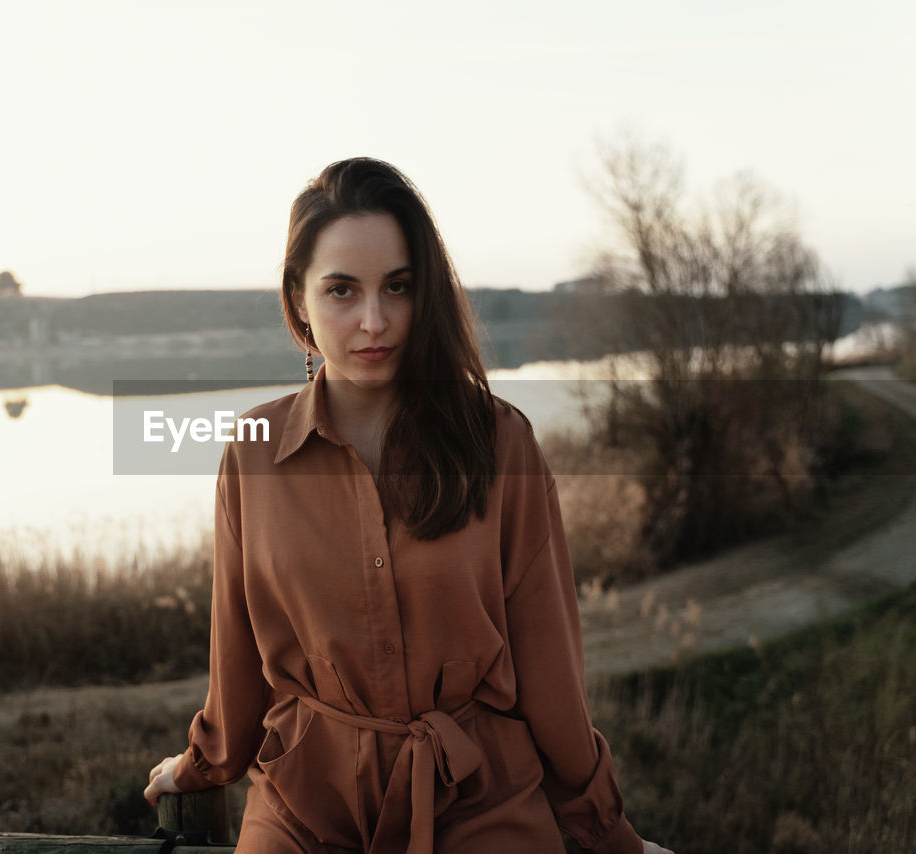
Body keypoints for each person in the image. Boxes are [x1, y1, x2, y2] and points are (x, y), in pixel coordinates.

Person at [144, 157, 672, 854]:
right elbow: (236, 660)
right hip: (306, 804)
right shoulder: (253, 453)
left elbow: (551, 672)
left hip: (479, 799)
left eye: (399, 287)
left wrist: (608, 833)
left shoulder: (500, 444)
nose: (374, 320)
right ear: (297, 301)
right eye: (341, 290)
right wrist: (203, 764)